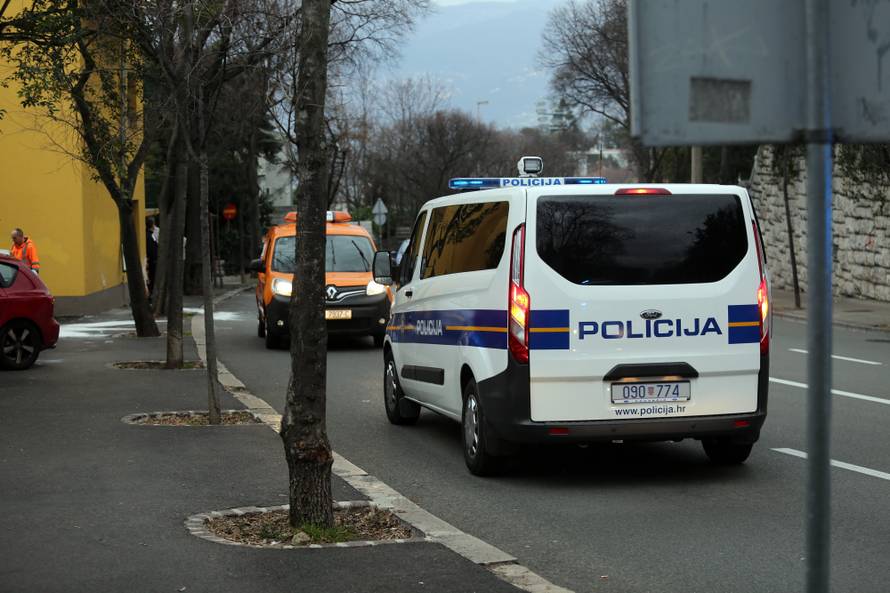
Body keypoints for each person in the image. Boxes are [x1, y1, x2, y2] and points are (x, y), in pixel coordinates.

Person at [146, 217, 159, 297]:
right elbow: (151, 248)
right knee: (152, 278)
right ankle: (151, 294)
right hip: (152, 260)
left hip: (152, 260)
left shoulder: (150, 234)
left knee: (151, 278)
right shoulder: (150, 235)